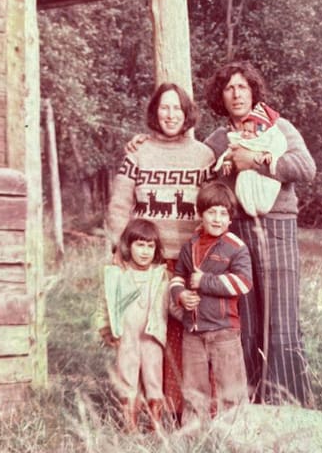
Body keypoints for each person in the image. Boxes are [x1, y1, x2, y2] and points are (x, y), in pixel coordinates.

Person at [203, 61, 316, 406]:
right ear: (220, 97)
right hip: (237, 233)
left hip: (277, 225)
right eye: (229, 88)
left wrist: (255, 162)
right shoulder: (217, 139)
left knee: (280, 319)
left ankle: (289, 404)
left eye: (242, 87)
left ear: (253, 91)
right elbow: (205, 180)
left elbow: (306, 167)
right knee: (247, 320)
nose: (236, 94)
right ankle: (251, 403)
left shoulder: (278, 127)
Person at [106, 82, 216, 421]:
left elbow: (213, 206)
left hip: (186, 260)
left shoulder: (203, 155)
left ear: (187, 114)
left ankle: (182, 408)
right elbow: (120, 204)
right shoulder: (138, 153)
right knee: (144, 333)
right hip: (146, 261)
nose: (170, 115)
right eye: (164, 108)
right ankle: (139, 405)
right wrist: (117, 248)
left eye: (177, 109)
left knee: (184, 334)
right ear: (155, 112)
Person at [169, 181, 252, 425]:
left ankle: (234, 438)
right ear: (200, 214)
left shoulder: (236, 248)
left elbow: (243, 283)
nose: (217, 219)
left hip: (224, 331)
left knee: (231, 392)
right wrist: (181, 295)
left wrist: (205, 281)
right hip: (193, 332)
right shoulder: (190, 246)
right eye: (211, 212)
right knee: (194, 393)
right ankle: (194, 439)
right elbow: (177, 278)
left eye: (223, 213)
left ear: (230, 219)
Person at [95, 218, 169, 432]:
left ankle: (155, 424)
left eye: (150, 246)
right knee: (127, 377)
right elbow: (104, 303)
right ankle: (130, 424)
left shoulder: (161, 274)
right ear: (128, 245)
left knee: (154, 377)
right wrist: (105, 328)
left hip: (152, 336)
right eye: (139, 245)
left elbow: (171, 303)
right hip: (126, 336)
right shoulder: (117, 274)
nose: (145, 252)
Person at [213, 102, 288, 217]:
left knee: (268, 190)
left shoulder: (271, 137)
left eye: (250, 132)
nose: (246, 134)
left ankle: (262, 207)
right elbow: (230, 152)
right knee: (242, 186)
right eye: (245, 130)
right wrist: (227, 161)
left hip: (265, 178)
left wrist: (270, 154)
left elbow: (279, 146)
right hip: (246, 175)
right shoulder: (234, 138)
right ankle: (250, 209)